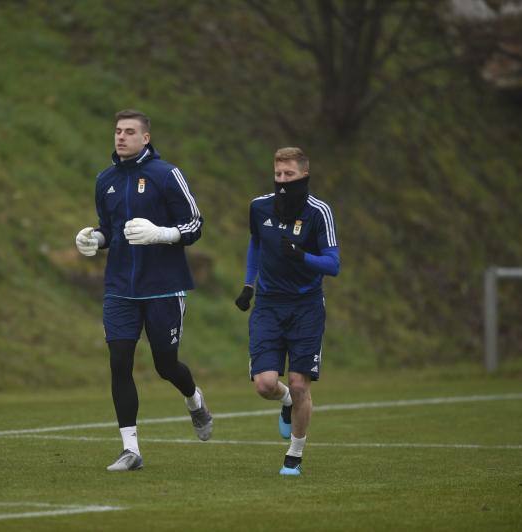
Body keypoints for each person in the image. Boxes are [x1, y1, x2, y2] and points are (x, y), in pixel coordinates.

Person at [75, 109, 212, 471]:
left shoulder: (166, 175)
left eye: (130, 132)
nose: (121, 137)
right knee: (119, 362)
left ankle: (194, 398)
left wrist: (163, 233)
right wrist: (94, 238)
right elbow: (110, 229)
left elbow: (195, 224)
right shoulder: (106, 180)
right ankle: (130, 450)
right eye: (118, 131)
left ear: (145, 138)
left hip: (163, 287)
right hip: (120, 288)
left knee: (166, 365)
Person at [234, 147, 339, 476]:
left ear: (303, 175)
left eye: (288, 175)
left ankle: (294, 454)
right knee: (265, 384)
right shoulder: (259, 206)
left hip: (306, 306)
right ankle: (285, 403)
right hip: (268, 304)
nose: (281, 181)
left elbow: (333, 264)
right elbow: (255, 244)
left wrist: (302, 257)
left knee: (298, 383)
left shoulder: (318, 212)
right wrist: (249, 285)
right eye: (278, 175)